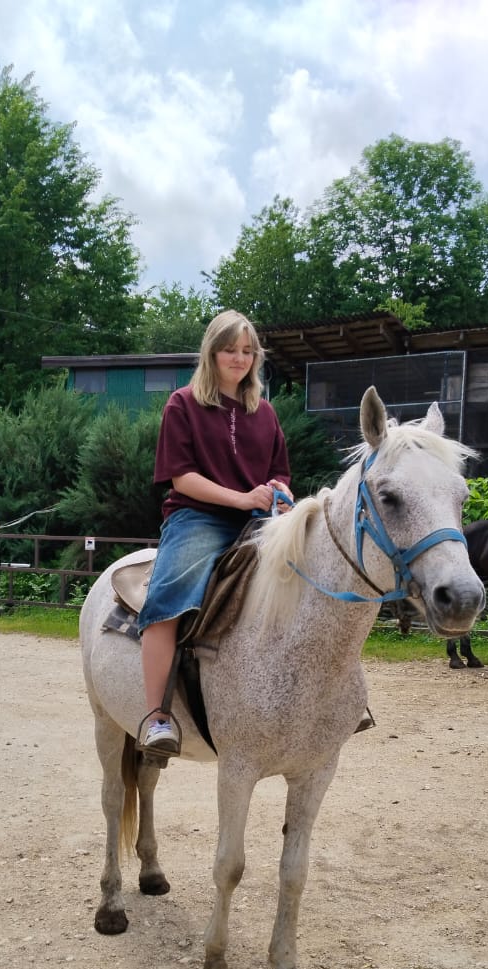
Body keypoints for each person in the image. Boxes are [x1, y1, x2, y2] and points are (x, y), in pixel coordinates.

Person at [138, 310, 293, 758]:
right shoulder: (183, 404)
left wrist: (279, 492)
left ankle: (326, 698)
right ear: (212, 352)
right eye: (230, 349)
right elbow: (181, 477)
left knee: (310, 576)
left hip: (259, 520)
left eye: (248, 351)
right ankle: (156, 718)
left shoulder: (264, 413)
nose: (239, 358)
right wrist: (243, 498)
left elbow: (279, 471)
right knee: (167, 598)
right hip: (198, 517)